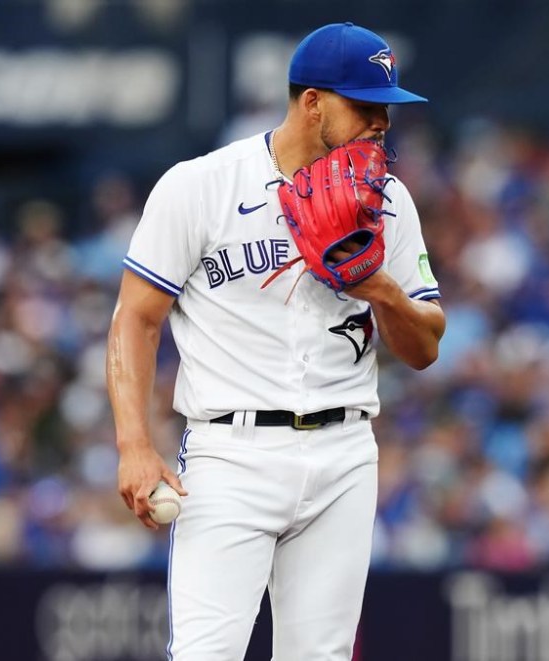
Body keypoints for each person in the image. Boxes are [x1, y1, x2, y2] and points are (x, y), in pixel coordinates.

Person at [107, 22, 446, 660]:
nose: (381, 123)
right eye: (365, 106)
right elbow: (135, 317)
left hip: (345, 452)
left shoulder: (390, 203)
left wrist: (379, 289)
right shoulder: (202, 185)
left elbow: (425, 347)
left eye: (389, 110)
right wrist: (133, 445)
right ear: (311, 100)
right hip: (231, 455)